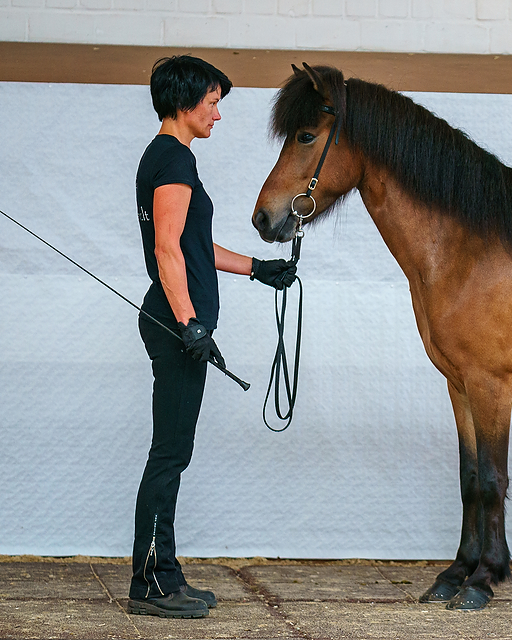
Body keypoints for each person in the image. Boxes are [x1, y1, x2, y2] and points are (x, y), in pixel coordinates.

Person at [127, 55, 296, 618]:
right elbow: (168, 251)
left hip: (179, 323)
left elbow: (195, 249)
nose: (217, 114)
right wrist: (188, 323)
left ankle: (164, 574)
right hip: (176, 326)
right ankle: (152, 583)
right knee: (169, 454)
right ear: (184, 101)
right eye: (212, 102)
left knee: (175, 453)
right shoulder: (172, 161)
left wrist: (258, 268)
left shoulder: (174, 159)